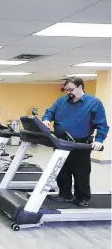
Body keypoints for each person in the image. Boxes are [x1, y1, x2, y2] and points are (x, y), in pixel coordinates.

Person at [42, 76, 109, 207]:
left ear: (80, 87)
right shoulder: (61, 101)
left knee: (81, 172)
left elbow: (102, 124)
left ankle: (82, 197)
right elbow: (50, 112)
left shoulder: (94, 102)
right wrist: (46, 119)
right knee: (61, 170)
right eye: (66, 90)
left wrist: (99, 140)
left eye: (71, 90)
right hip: (60, 142)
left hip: (80, 143)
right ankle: (65, 194)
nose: (68, 93)